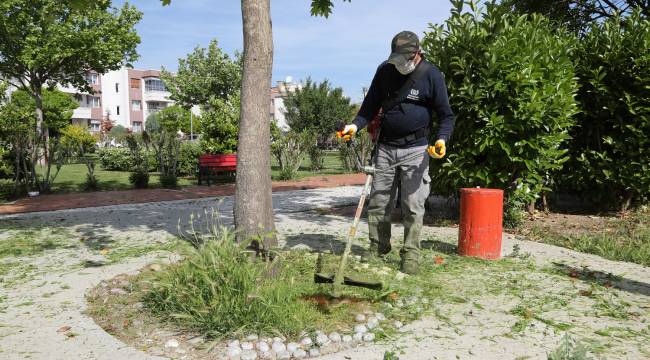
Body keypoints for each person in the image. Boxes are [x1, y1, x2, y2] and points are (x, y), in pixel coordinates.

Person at [338, 30, 455, 275]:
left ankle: (411, 254)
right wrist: (354, 126)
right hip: (386, 149)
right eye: (396, 59)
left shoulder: (431, 75)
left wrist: (442, 140)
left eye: (404, 60)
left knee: (413, 205)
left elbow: (446, 115)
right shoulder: (385, 71)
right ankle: (378, 248)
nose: (400, 65)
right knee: (379, 202)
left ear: (416, 54)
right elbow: (368, 108)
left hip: (416, 150)